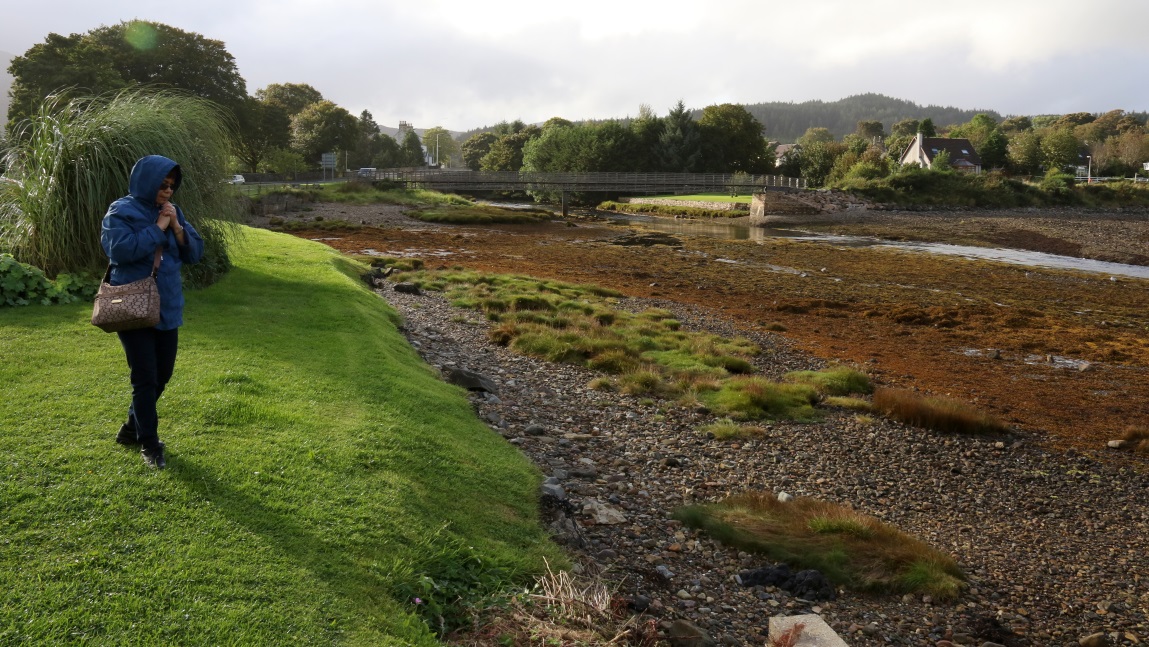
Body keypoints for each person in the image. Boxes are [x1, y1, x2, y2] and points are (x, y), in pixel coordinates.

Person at [101, 155, 204, 469]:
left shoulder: (173, 211)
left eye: (171, 186)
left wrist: (176, 227)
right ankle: (149, 443)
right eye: (162, 185)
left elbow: (195, 254)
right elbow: (120, 250)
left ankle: (131, 428)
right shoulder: (121, 211)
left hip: (167, 305)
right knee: (145, 378)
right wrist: (158, 227)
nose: (167, 191)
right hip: (133, 305)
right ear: (146, 181)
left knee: (163, 374)